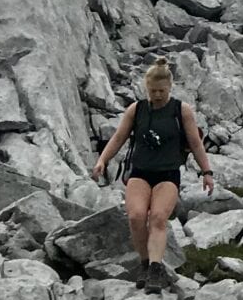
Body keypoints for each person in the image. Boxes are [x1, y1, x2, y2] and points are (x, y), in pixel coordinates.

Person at [90, 58, 214, 283]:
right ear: (146, 88)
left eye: (161, 91)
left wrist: (207, 172)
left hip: (168, 173)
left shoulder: (181, 110)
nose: (157, 95)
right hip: (140, 171)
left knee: (157, 218)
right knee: (136, 217)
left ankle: (156, 269)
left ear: (170, 87)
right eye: (152, 91)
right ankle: (145, 264)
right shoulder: (136, 110)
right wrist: (103, 160)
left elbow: (195, 144)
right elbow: (119, 137)